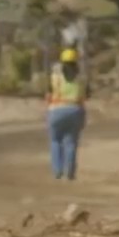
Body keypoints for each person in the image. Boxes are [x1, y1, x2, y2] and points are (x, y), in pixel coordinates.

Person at [46, 48, 87, 181]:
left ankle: (58, 171)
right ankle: (70, 172)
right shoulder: (81, 78)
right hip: (75, 110)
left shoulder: (55, 76)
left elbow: (48, 93)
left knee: (55, 141)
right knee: (71, 143)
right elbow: (86, 95)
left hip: (56, 110)